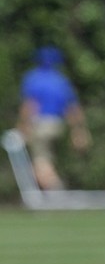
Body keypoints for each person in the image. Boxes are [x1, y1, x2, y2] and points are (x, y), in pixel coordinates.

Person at [16, 45, 91, 190]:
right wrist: (79, 130)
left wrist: (23, 126)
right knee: (48, 161)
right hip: (58, 124)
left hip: (40, 124)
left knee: (40, 162)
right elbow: (72, 108)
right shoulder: (61, 81)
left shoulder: (33, 78)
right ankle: (54, 190)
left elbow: (30, 105)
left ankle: (57, 192)